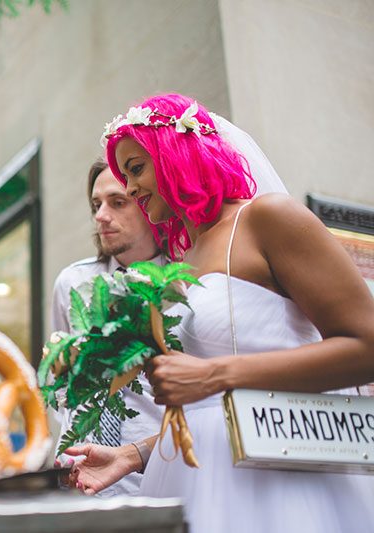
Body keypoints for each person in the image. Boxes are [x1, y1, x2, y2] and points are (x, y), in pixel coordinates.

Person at [68, 93, 374, 532]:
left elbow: (367, 345)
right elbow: (219, 409)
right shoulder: (187, 257)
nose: (130, 188)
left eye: (136, 169)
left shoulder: (268, 218)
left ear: (176, 153)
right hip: (198, 475)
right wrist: (134, 454)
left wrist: (214, 375)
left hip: (280, 486)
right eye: (124, 175)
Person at [51, 159, 164, 496]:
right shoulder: (72, 283)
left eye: (118, 202)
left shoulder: (183, 285)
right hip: (78, 482)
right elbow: (59, 377)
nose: (101, 216)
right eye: (96, 204)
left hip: (154, 477)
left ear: (149, 202)